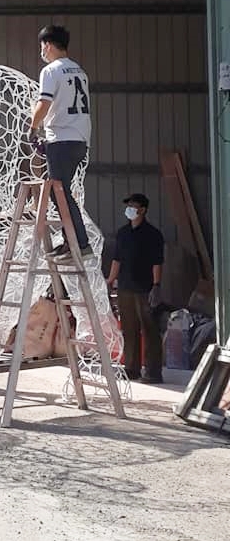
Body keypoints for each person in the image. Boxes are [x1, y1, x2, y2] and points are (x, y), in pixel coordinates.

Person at [29, 25, 92, 263]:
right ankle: (71, 241)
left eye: (42, 46)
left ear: (48, 44)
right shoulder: (79, 71)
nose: (41, 51)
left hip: (62, 138)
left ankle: (80, 244)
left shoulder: (51, 71)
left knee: (60, 193)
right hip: (80, 138)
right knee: (61, 191)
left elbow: (44, 103)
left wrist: (33, 127)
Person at [106, 193, 164, 384]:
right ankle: (132, 369)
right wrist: (110, 281)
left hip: (144, 288)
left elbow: (157, 262)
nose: (129, 209)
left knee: (150, 329)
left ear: (143, 210)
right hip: (125, 287)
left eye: (133, 206)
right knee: (129, 330)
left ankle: (153, 372)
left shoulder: (153, 234)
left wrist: (156, 286)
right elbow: (117, 259)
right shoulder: (123, 233)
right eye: (128, 205)